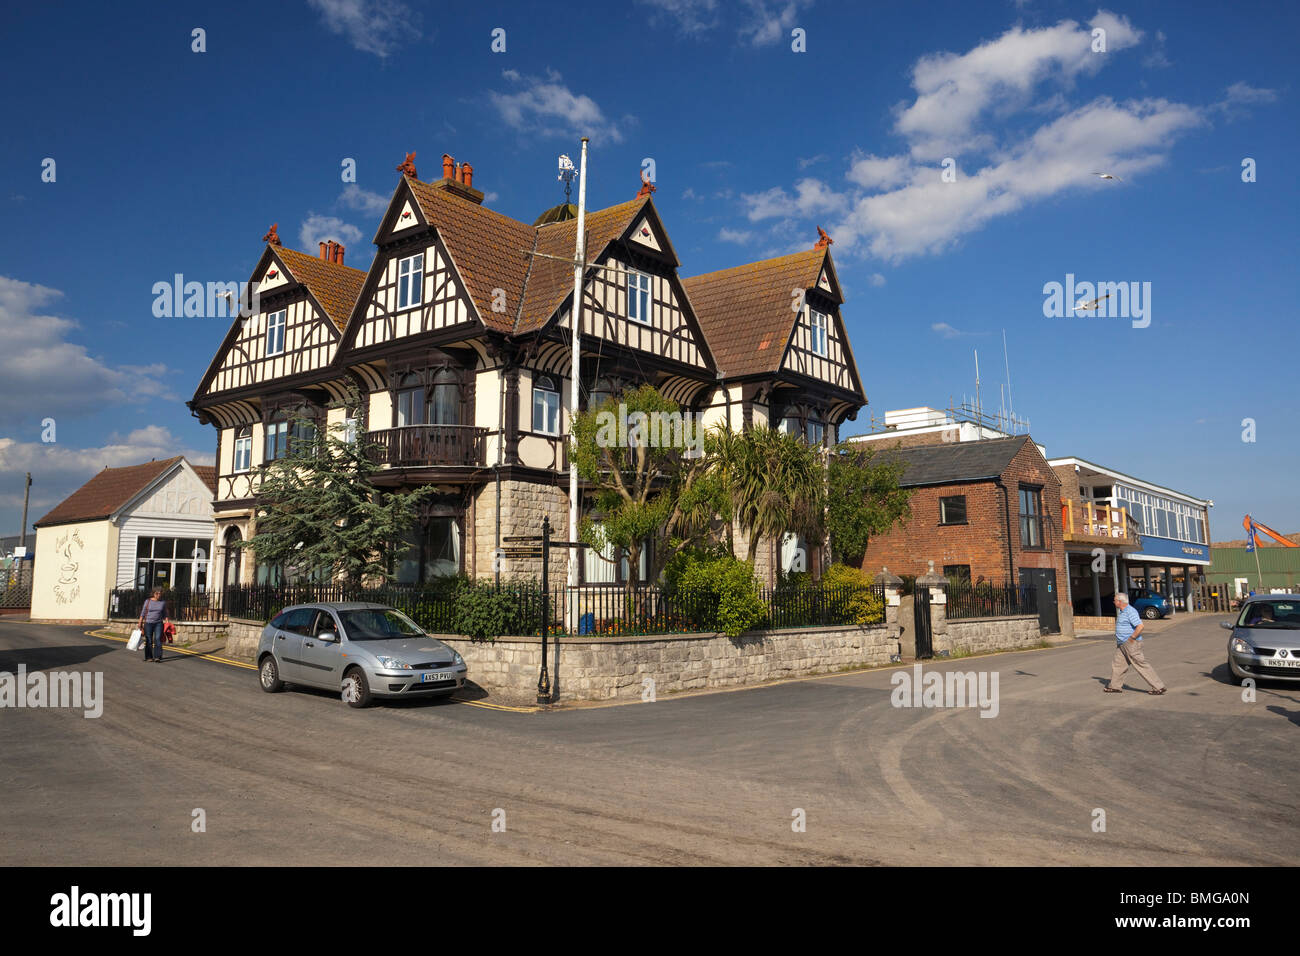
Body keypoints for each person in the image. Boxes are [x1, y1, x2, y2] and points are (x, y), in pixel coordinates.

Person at [1105, 592, 1166, 695]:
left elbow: (1140, 626)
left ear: (1120, 601)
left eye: (1115, 600)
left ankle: (1158, 687)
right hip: (1122, 644)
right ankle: (1115, 686)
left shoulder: (1130, 611)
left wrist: (1132, 638)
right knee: (1118, 665)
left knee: (1140, 664)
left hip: (1130, 643)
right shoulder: (1123, 611)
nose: (1113, 602)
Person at [137, 588, 169, 662]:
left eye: (160, 593)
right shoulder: (148, 601)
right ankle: (149, 657)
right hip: (148, 623)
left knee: (158, 639)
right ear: (153, 594)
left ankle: (157, 657)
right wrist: (140, 622)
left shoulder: (162, 602)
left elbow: (165, 613)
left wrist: (167, 622)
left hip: (159, 623)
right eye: (157, 593)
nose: (158, 595)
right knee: (149, 640)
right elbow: (143, 612)